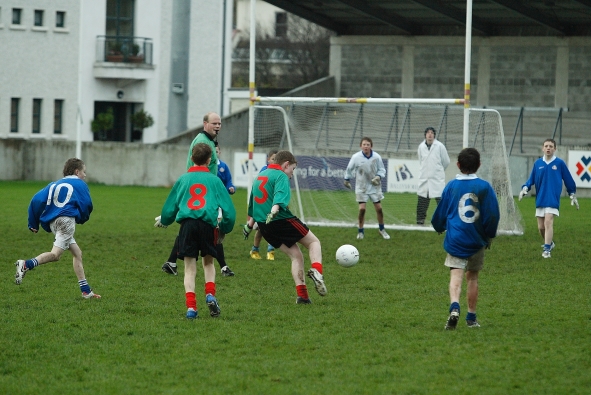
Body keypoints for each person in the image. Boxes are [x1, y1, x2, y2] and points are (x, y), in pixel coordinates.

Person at [156, 143, 236, 319]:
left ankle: (191, 308)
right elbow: (229, 210)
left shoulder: (183, 179)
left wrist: (166, 219)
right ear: (209, 160)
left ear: (191, 159)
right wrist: (224, 227)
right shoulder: (215, 181)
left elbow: (169, 208)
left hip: (188, 225)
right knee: (208, 262)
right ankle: (210, 294)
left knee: (189, 268)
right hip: (208, 225)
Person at [242, 150, 327, 304]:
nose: (292, 174)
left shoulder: (260, 176)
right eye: (292, 169)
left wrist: (249, 226)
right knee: (314, 243)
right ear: (286, 164)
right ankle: (317, 271)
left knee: (296, 256)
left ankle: (302, 296)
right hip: (281, 220)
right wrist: (274, 210)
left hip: (265, 226)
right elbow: (279, 197)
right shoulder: (280, 175)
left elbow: (252, 203)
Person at [432, 148, 500, 330]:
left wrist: (438, 226)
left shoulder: (451, 186)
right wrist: (489, 234)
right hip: (476, 240)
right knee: (473, 278)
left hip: (455, 240)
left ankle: (455, 306)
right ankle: (471, 318)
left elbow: (441, 212)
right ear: (479, 165)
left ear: (458, 165)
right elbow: (492, 215)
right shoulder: (485, 187)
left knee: (456, 276)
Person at [14, 158, 100, 299]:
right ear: (77, 171)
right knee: (55, 255)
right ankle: (26, 264)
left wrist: (33, 223)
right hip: (66, 221)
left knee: (77, 253)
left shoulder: (54, 184)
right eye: (84, 172)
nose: (85, 175)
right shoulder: (79, 183)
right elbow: (87, 204)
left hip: (53, 222)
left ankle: (86, 291)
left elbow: (36, 200)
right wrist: (82, 218)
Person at [161, 112, 235, 276]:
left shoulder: (207, 141)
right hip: (204, 192)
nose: (217, 126)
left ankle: (172, 262)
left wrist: (166, 217)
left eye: (219, 124)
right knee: (209, 227)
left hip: (199, 192)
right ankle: (222, 268)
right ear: (205, 124)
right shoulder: (203, 141)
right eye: (214, 123)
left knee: (191, 226)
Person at [519, 138, 578, 258]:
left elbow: (568, 179)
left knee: (548, 221)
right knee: (541, 227)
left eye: (551, 146)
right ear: (543, 148)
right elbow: (531, 179)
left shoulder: (560, 163)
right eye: (546, 146)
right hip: (541, 198)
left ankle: (547, 251)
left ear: (555, 149)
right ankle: (550, 243)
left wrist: (572, 193)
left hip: (552, 198)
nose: (548, 148)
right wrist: (525, 188)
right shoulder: (538, 163)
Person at [343, 137, 390, 240]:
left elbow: (382, 169)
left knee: (379, 209)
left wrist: (378, 177)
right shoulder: (356, 157)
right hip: (361, 186)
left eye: (368, 144)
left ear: (371, 146)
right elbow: (349, 169)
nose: (366, 146)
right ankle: (360, 231)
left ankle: (382, 229)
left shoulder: (377, 157)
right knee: (362, 210)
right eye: (364, 144)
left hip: (374, 186)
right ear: (361, 146)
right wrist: (347, 179)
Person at [416, 126, 450, 225]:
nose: (430, 134)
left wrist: (438, 171)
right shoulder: (421, 146)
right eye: (428, 133)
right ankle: (420, 221)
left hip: (437, 180)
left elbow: (446, 161)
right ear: (425, 135)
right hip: (424, 180)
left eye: (432, 133)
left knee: (440, 202)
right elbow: (420, 160)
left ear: (434, 135)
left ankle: (444, 222)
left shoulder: (440, 146)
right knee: (422, 201)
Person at [250, 149, 278, 260]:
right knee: (261, 230)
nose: (275, 161)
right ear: (268, 159)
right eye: (273, 159)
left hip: (273, 205)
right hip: (262, 205)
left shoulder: (279, 172)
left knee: (273, 228)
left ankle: (271, 251)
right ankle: (255, 250)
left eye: (277, 159)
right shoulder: (264, 170)